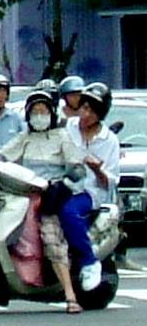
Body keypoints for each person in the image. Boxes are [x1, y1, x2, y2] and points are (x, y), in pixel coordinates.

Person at [0, 90, 87, 313]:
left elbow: (76, 167)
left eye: (43, 111)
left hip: (49, 198)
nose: (39, 116)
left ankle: (70, 294)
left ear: (52, 114)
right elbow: (2, 156)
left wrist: (64, 181)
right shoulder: (25, 137)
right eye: (35, 112)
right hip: (23, 196)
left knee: (52, 240)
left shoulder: (61, 136)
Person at [63, 82, 119, 291]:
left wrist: (97, 169)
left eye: (92, 112)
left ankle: (88, 262)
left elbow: (110, 181)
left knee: (68, 212)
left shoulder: (109, 140)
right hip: (62, 184)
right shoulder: (68, 128)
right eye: (84, 108)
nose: (86, 115)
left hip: (88, 192)